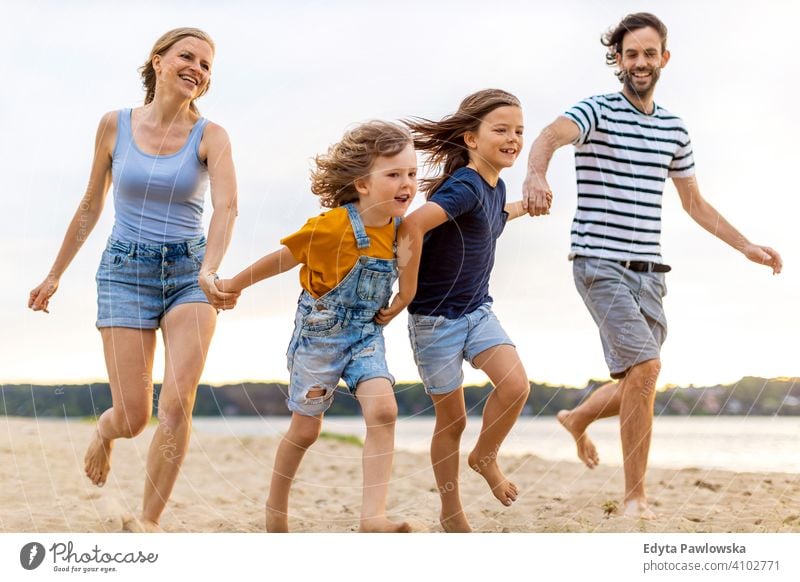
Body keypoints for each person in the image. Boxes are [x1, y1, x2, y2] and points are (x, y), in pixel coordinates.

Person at [521, 13, 782, 519]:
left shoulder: (674, 129)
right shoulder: (595, 110)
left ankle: (576, 418)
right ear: (617, 59)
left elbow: (695, 204)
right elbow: (549, 137)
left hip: (651, 273)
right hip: (598, 260)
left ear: (664, 58)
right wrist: (535, 175)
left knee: (640, 380)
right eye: (630, 54)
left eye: (648, 53)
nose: (639, 63)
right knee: (646, 367)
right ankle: (635, 496)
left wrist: (745, 246)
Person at [28, 28, 239, 532]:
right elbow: (90, 204)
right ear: (158, 62)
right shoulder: (113, 126)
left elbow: (226, 206)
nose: (197, 68)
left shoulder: (211, 136)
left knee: (178, 400)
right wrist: (55, 274)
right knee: (132, 417)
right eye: (187, 56)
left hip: (191, 272)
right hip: (124, 272)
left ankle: (149, 521)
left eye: (207, 65)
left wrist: (210, 268)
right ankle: (103, 432)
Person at [217, 121, 416, 533]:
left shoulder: (403, 232)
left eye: (412, 174)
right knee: (306, 430)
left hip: (364, 337)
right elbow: (284, 258)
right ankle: (276, 506)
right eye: (394, 174)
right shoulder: (332, 227)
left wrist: (399, 305)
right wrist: (234, 284)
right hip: (319, 339)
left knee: (384, 410)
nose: (407, 184)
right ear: (362, 183)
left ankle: (372, 517)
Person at [377, 89, 537, 532]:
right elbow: (412, 223)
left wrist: (525, 206)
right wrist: (406, 291)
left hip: (477, 311)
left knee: (515, 385)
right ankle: (451, 512)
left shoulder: (493, 187)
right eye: (501, 130)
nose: (513, 138)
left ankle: (485, 456)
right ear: (470, 137)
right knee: (453, 418)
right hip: (434, 321)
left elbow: (494, 218)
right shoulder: (465, 185)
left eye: (519, 131)